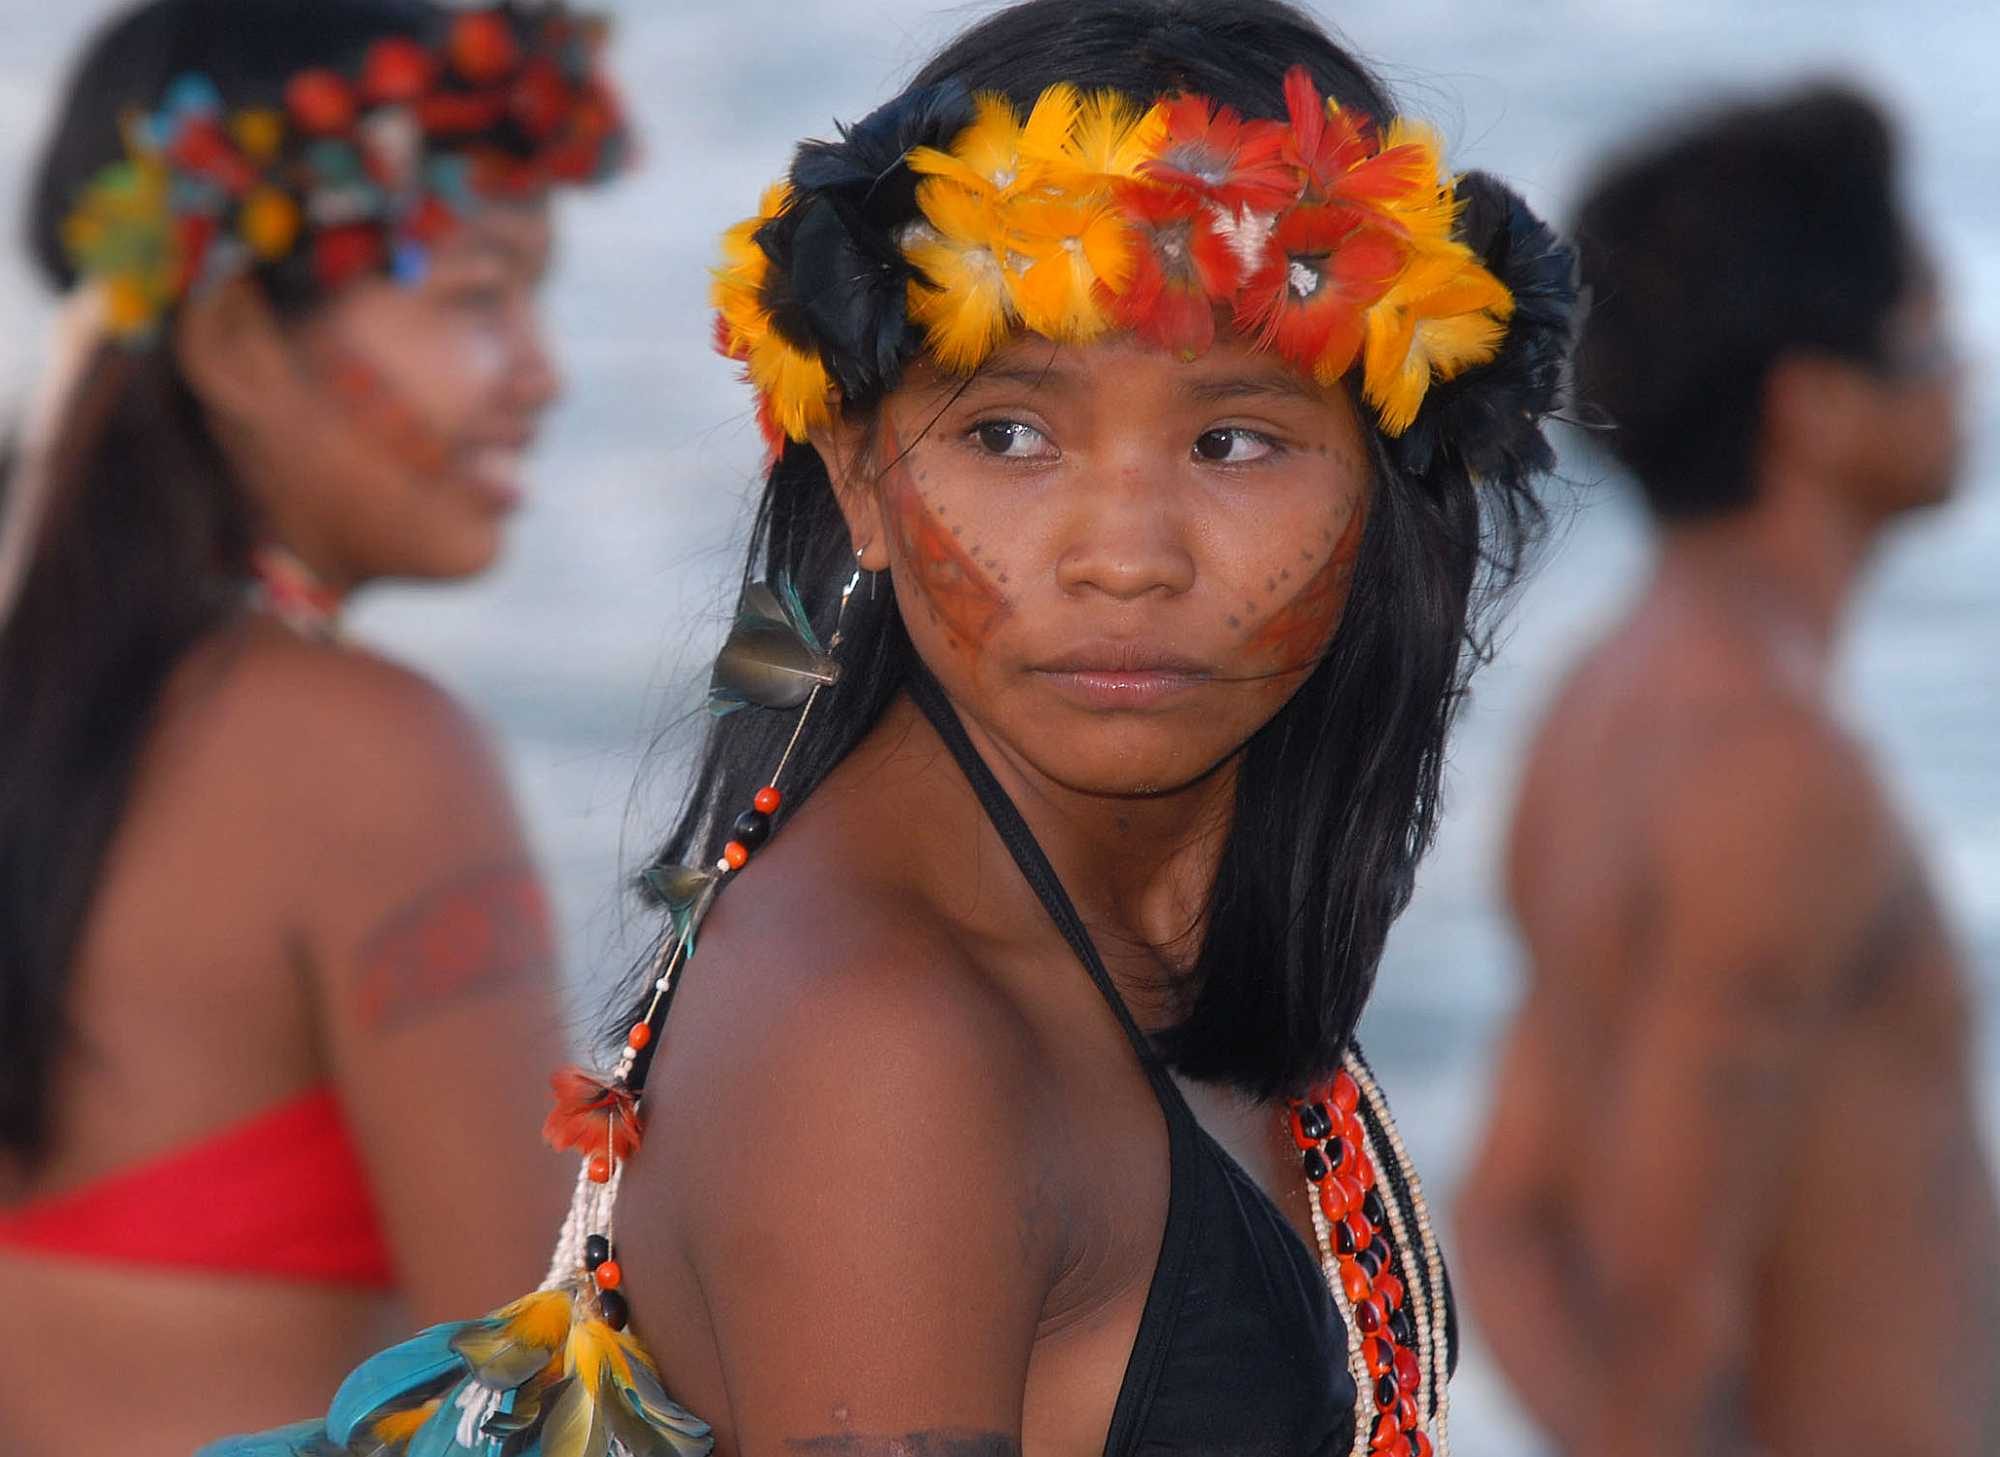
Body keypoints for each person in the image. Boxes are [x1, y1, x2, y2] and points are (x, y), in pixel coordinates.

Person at [202, 2, 1578, 1454]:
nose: (1123, 552)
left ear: (1387, 483)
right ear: (859, 472)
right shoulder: (883, 1047)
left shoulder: (1133, 941)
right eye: (1008, 434)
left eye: (1233, 441)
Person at [0, 3, 626, 1453]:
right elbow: (536, 1394)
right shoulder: (367, 760)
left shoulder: (54, 722)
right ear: (228, 337)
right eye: (478, 298)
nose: (540, 373)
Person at [1459, 84, 1998, 1457]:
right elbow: (1658, 1312)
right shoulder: (1776, 772)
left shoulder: (1608, 706)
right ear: (1813, 405)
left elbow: (1505, 1219)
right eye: (1929, 332)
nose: (1965, 375)